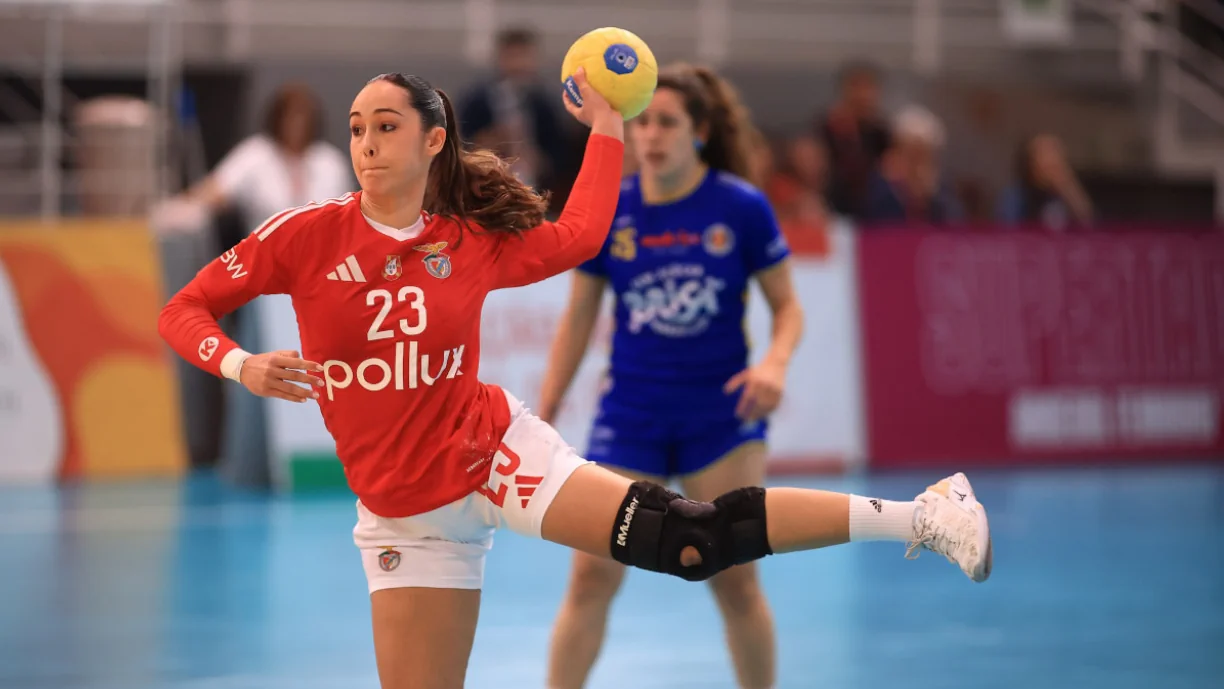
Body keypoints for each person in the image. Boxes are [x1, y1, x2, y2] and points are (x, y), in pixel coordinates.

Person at [158, 68, 993, 689]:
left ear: (432, 139)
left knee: (691, 539)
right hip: (401, 514)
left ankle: (923, 513)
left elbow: (582, 233)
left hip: (493, 455)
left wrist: (606, 126)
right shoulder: (305, 235)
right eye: (356, 128)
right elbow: (183, 309)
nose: (366, 144)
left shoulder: (469, 240)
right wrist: (242, 363)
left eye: (385, 126)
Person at [538, 63, 800, 689]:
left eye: (668, 122)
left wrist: (774, 364)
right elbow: (578, 317)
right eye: (642, 122)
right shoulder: (613, 211)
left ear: (700, 131)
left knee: (733, 576)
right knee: (591, 574)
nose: (650, 135)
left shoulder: (740, 207)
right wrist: (543, 410)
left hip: (722, 417)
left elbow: (787, 307)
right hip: (631, 415)